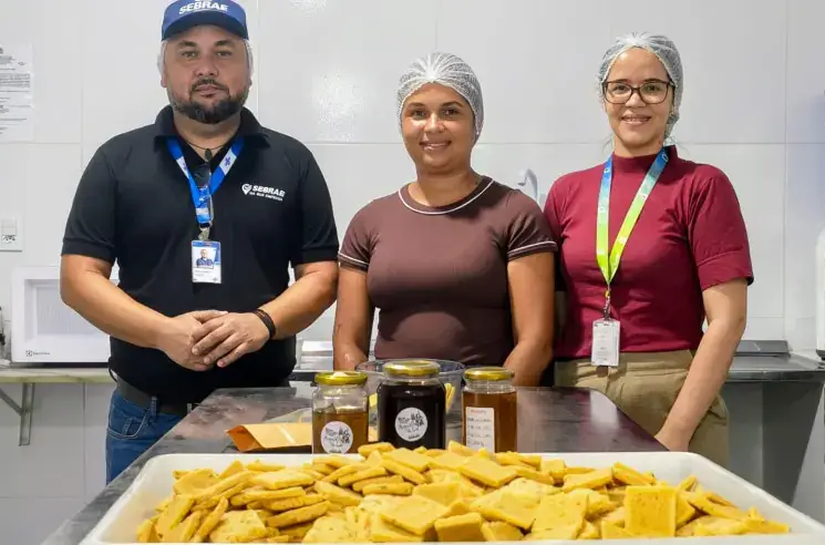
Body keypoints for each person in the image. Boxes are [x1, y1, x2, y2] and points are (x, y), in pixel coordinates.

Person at [60, 0, 339, 483]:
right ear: (163, 72)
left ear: (249, 70)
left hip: (263, 417)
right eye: (188, 53)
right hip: (145, 419)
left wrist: (262, 323)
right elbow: (78, 279)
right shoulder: (116, 161)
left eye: (224, 52)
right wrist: (161, 333)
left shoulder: (291, 161)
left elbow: (322, 276)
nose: (206, 68)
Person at [544, 33, 752, 467]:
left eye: (652, 87)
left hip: (671, 394)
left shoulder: (701, 186)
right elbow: (556, 317)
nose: (634, 101)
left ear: (674, 99)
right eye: (620, 87)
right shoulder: (566, 192)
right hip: (576, 394)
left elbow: (727, 320)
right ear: (603, 97)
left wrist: (676, 431)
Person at [333, 52, 556, 386]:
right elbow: (347, 342)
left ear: (476, 123)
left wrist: (485, 405)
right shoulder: (370, 221)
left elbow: (535, 344)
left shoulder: (516, 213)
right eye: (418, 113)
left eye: (450, 112)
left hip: (484, 406)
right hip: (390, 406)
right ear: (401, 124)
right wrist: (366, 402)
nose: (433, 126)